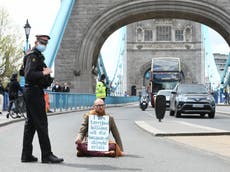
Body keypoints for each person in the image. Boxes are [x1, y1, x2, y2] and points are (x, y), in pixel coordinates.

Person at [21, 35, 63, 163]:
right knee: (41, 123)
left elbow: (24, 73)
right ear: (36, 42)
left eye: (45, 43)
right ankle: (47, 155)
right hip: (33, 92)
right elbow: (28, 74)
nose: (44, 45)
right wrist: (44, 73)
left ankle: (26, 155)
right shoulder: (33, 56)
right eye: (42, 42)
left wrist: (47, 76)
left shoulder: (36, 56)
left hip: (32, 91)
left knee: (31, 124)